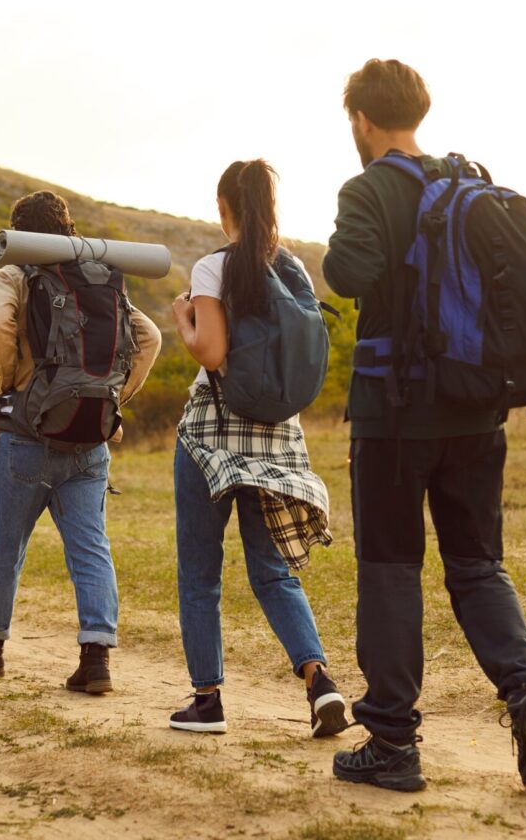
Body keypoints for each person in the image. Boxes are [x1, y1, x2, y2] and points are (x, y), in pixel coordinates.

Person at [323, 59, 526, 791]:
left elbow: (346, 273)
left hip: (395, 418)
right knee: (477, 565)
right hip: (475, 407)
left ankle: (392, 744)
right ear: (416, 114)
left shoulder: (368, 189)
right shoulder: (467, 184)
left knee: (391, 570)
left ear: (361, 121)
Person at [166, 160, 348, 739]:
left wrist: (182, 321)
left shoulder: (212, 267)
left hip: (212, 432)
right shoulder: (293, 268)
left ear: (225, 211)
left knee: (201, 571)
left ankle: (208, 700)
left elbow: (212, 353)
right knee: (272, 572)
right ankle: (320, 682)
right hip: (276, 434)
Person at [0, 191, 161, 691]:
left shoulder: (15, 273)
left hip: (27, 436)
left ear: (20, 231)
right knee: (91, 547)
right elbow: (150, 336)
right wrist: (112, 400)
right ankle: (96, 660)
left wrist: (5, 387)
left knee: (5, 544)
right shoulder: (99, 272)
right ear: (68, 227)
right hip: (90, 441)